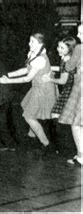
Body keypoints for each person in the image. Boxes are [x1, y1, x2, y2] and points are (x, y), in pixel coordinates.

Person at [0, 32, 57, 154]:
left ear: (40, 44)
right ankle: (32, 138)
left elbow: (27, 78)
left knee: (29, 116)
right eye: (30, 41)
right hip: (37, 88)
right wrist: (9, 74)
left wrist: (7, 81)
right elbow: (26, 69)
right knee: (29, 111)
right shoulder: (33, 54)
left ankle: (46, 145)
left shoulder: (40, 58)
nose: (29, 44)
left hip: (43, 90)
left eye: (33, 42)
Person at [58, 24, 82, 166]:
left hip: (80, 88)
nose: (78, 36)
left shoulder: (79, 48)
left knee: (76, 124)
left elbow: (69, 67)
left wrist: (68, 61)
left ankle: (80, 155)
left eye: (81, 33)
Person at [42, 37, 77, 118]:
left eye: (62, 48)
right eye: (58, 47)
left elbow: (62, 81)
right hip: (72, 89)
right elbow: (63, 69)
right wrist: (49, 67)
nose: (59, 49)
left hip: (69, 91)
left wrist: (49, 79)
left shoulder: (66, 60)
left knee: (55, 115)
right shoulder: (69, 58)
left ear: (70, 49)